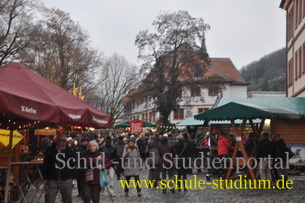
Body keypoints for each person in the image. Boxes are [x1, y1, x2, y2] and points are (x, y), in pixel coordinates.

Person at [42, 134, 76, 203]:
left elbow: (73, 164)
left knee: (67, 199)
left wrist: (72, 177)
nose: (62, 143)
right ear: (57, 141)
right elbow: (46, 164)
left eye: (64, 141)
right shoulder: (50, 150)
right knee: (49, 199)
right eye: (61, 141)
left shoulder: (70, 151)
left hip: (66, 178)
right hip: (52, 178)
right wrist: (45, 177)